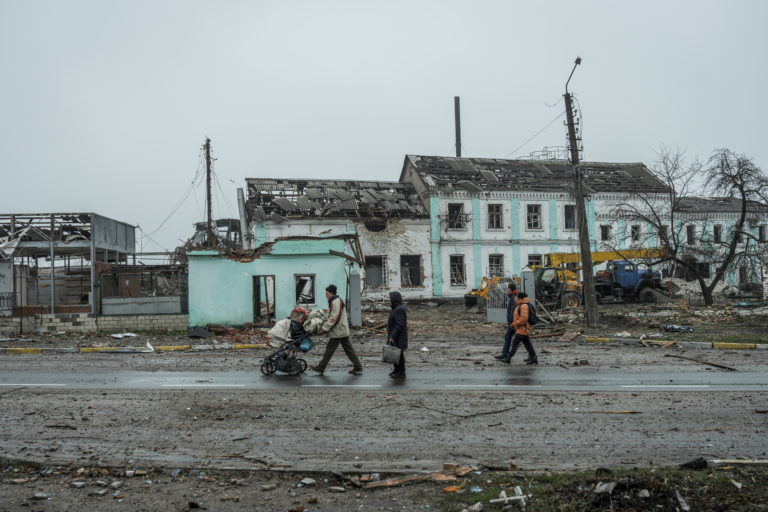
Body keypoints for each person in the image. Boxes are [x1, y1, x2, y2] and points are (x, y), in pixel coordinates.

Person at [310, 284, 363, 375]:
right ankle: (358, 366)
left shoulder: (336, 302)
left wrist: (324, 328)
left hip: (338, 330)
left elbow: (334, 317)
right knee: (349, 350)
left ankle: (321, 367)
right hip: (341, 330)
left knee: (329, 350)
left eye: (326, 293)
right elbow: (333, 315)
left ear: (331, 293)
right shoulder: (334, 301)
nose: (325, 295)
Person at [505, 291, 538, 365]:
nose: (515, 298)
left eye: (516, 297)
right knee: (527, 344)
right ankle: (533, 357)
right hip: (522, 328)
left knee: (515, 343)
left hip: (522, 328)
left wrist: (514, 323)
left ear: (520, 298)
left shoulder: (523, 306)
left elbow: (523, 319)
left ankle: (508, 358)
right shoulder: (520, 305)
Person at [493, 282, 518, 362]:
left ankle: (506, 355)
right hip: (513, 323)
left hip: (514, 323)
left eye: (507, 289)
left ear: (510, 290)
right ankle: (505, 354)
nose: (506, 290)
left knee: (510, 338)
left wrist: (511, 322)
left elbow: (513, 311)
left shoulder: (513, 298)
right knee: (510, 338)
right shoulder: (513, 297)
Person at [387, 291, 408, 378]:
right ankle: (396, 370)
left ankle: (401, 372)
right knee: (395, 353)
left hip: (398, 337)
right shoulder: (397, 308)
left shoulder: (398, 310)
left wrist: (392, 336)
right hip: (396, 336)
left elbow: (399, 324)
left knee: (399, 354)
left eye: (391, 299)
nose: (390, 300)